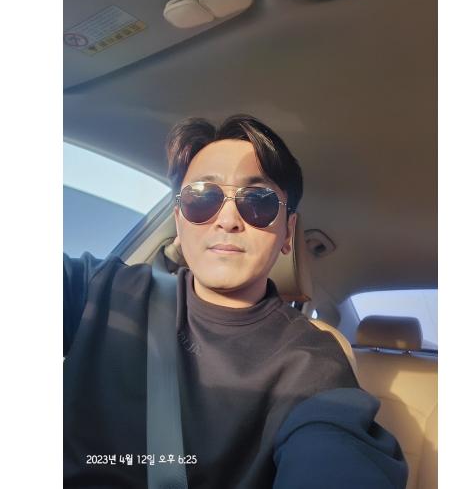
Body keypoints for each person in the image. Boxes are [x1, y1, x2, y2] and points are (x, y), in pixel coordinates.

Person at [64, 114, 407, 488]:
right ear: (180, 220)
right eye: (201, 197)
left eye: (258, 202)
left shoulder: (311, 366)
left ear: (287, 233)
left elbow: (337, 456)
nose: (227, 220)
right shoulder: (100, 288)